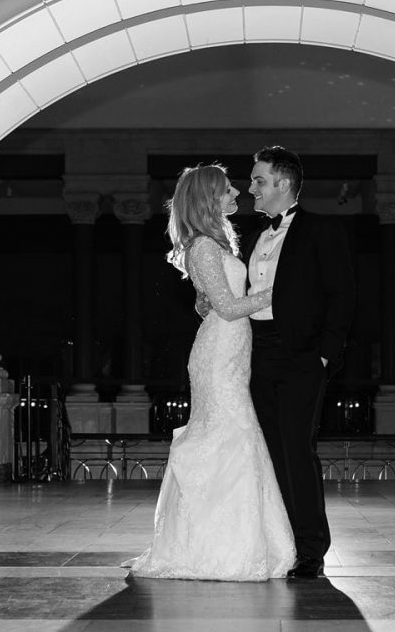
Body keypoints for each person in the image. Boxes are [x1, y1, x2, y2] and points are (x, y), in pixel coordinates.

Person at [126, 164, 295, 581]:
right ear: (208, 198)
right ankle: (223, 547)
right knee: (232, 434)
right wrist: (281, 291)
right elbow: (229, 308)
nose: (236, 191)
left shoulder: (209, 244)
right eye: (226, 189)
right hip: (220, 352)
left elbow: (208, 303)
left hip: (228, 349)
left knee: (231, 435)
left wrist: (214, 299)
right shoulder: (203, 246)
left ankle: (232, 540)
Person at [240, 145, 356, 578]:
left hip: (302, 357)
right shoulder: (253, 236)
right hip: (257, 353)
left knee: (296, 450)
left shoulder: (322, 231)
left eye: (258, 180)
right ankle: (281, 543)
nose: (251, 187)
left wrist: (324, 354)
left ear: (282, 184)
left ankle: (311, 549)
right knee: (269, 453)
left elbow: (341, 295)